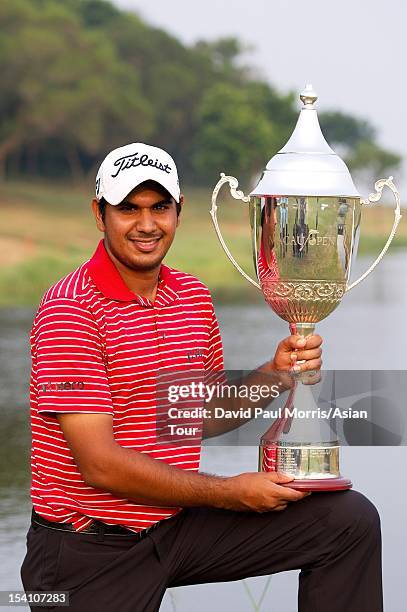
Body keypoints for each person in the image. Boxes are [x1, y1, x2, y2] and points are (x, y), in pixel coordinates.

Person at [21, 143, 383, 612]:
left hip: (175, 526)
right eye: (128, 208)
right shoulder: (70, 309)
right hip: (87, 550)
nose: (146, 224)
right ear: (99, 213)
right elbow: (100, 465)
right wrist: (229, 493)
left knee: (347, 521)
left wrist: (276, 373)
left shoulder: (190, 295)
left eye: (159, 207)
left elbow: (198, 415)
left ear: (178, 210)